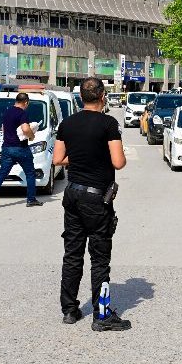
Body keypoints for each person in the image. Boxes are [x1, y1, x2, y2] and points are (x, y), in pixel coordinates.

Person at [52, 77, 131, 331]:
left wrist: (79, 158)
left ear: (80, 97)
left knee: (72, 253)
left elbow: (57, 159)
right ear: (103, 96)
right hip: (97, 199)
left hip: (73, 194)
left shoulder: (67, 123)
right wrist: (100, 157)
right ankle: (102, 315)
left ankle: (69, 310)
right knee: (99, 258)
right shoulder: (109, 124)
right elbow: (118, 162)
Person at [0, 92, 43, 209]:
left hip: (7, 148)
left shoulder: (7, 111)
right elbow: (25, 129)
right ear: (26, 102)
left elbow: (3, 128)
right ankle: (31, 199)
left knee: (2, 173)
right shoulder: (22, 113)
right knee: (30, 173)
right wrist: (32, 136)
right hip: (21, 148)